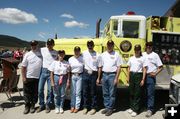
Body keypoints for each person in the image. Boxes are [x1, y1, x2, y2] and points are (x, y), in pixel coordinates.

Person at [100, 40, 122, 116]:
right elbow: (101, 66)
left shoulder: (117, 54)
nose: (109, 46)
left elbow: (119, 67)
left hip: (112, 75)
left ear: (113, 46)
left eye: (111, 45)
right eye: (108, 45)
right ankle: (106, 107)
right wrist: (101, 77)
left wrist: (116, 78)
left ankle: (110, 108)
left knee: (112, 93)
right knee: (105, 93)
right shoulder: (103, 55)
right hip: (104, 75)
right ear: (107, 45)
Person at [37, 39, 58, 113]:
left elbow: (58, 61)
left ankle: (48, 105)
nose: (49, 45)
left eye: (51, 44)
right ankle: (41, 105)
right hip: (43, 71)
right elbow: (34, 51)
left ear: (53, 44)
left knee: (50, 91)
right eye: (48, 44)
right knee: (40, 90)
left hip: (51, 73)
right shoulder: (42, 49)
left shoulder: (56, 52)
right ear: (46, 44)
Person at [21, 40, 42, 114]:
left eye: (35, 44)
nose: (34, 46)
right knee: (27, 93)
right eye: (32, 45)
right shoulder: (27, 54)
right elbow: (23, 67)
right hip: (28, 76)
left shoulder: (40, 54)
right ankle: (27, 106)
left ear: (37, 45)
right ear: (31, 45)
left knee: (35, 92)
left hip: (37, 77)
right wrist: (23, 77)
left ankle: (33, 105)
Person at [143, 42, 163, 117]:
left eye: (150, 46)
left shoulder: (155, 55)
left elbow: (161, 66)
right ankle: (145, 107)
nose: (148, 47)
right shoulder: (142, 54)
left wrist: (155, 73)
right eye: (147, 46)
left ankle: (150, 110)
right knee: (143, 93)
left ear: (152, 47)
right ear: (145, 46)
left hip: (150, 77)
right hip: (142, 76)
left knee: (150, 94)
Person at [126, 45, 147, 117]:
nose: (136, 51)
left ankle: (136, 110)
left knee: (137, 93)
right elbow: (128, 68)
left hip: (139, 75)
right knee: (131, 92)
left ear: (140, 50)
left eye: (138, 50)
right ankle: (132, 107)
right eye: (135, 50)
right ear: (134, 50)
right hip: (132, 75)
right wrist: (128, 76)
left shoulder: (143, 58)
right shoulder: (131, 58)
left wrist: (143, 79)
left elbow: (144, 69)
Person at [82, 40, 102, 115]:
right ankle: (85, 107)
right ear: (87, 46)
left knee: (93, 92)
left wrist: (98, 78)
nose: (90, 47)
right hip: (86, 73)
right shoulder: (84, 53)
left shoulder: (98, 55)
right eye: (88, 45)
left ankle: (94, 108)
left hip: (94, 74)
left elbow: (100, 67)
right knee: (85, 91)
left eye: (91, 45)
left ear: (93, 46)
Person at [49, 50, 70, 114]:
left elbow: (68, 73)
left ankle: (61, 107)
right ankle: (57, 107)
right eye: (60, 54)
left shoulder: (66, 63)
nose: (61, 55)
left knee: (63, 94)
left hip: (64, 78)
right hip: (56, 77)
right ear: (58, 55)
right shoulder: (54, 62)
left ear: (64, 55)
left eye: (62, 54)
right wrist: (52, 82)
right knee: (56, 94)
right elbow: (51, 73)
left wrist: (68, 80)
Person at [68, 46, 83, 113]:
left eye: (78, 51)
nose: (77, 52)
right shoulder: (70, 59)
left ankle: (77, 107)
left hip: (80, 76)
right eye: (76, 51)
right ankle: (72, 106)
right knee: (73, 92)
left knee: (78, 93)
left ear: (80, 51)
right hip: (73, 76)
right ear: (74, 51)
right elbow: (68, 69)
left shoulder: (82, 59)